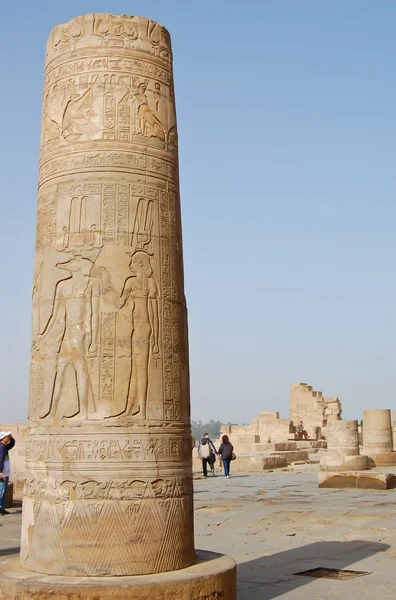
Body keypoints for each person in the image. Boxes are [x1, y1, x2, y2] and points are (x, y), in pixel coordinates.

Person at [0, 431, 15, 515]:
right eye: (7, 437)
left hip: (5, 473)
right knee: (1, 491)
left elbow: (12, 444)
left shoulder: (4, 447)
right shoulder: (1, 447)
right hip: (2, 473)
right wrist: (0, 471)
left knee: (3, 491)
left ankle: (1, 508)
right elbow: (0, 459)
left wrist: (11, 438)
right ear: (2, 438)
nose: (8, 438)